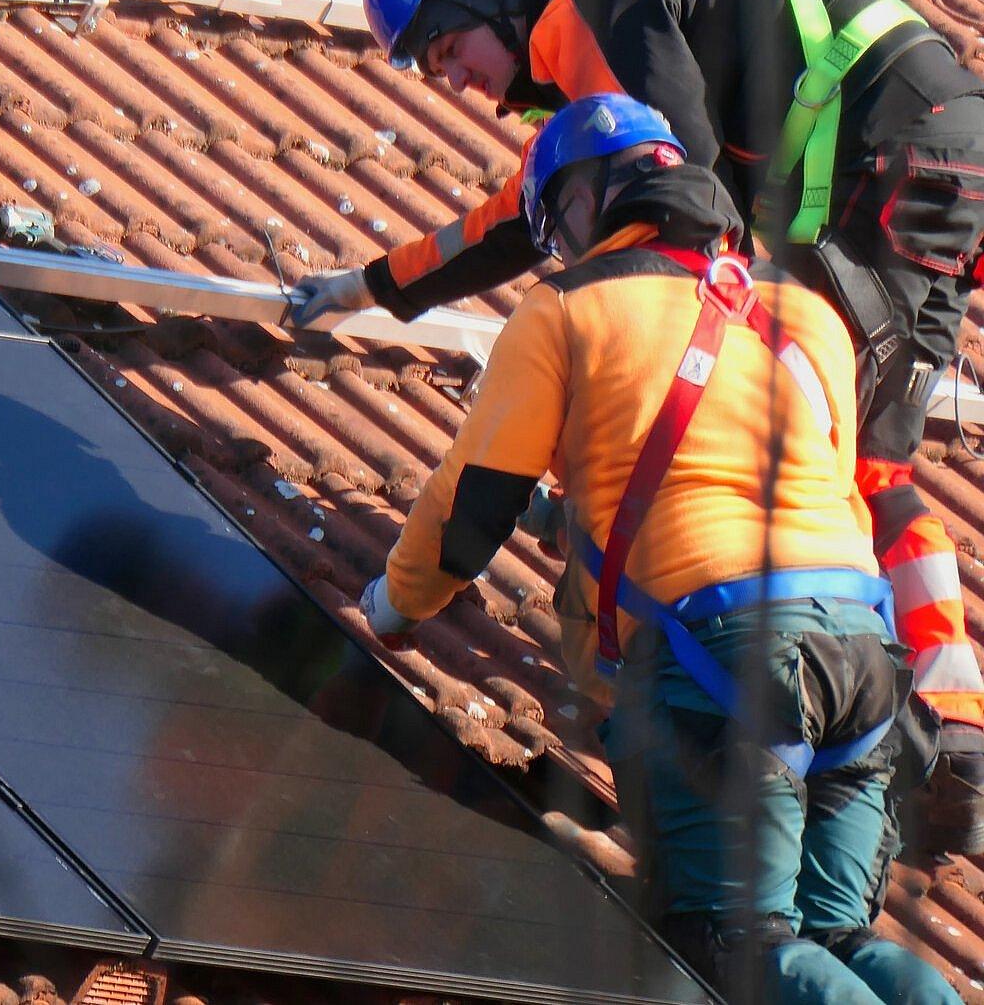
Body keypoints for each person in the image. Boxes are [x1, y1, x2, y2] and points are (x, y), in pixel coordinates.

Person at [300, 0, 984, 854]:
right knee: (874, 464)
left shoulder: (587, 9)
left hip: (889, 149)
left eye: (447, 45)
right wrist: (372, 285)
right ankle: (954, 731)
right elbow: (519, 214)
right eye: (429, 66)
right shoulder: (599, 27)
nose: (452, 79)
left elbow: (684, 200)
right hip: (937, 149)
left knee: (782, 397)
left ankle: (856, 714)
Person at [360, 93, 956, 1003]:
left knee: (736, 948)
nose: (559, 238)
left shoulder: (563, 309)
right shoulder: (805, 313)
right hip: (866, 661)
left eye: (558, 214)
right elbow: (830, 491)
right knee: (838, 934)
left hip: (735, 665)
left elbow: (473, 503)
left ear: (590, 197)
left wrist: (394, 604)